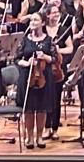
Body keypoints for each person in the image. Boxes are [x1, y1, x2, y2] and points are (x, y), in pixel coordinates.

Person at [16, 12, 59, 150]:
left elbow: (55, 59)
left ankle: (40, 136)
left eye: (36, 20)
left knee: (41, 108)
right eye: (32, 20)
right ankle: (29, 137)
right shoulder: (24, 39)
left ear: (43, 23)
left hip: (44, 77)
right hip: (27, 76)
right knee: (28, 109)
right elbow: (16, 59)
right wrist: (26, 63)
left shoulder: (49, 40)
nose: (33, 22)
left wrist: (45, 57)